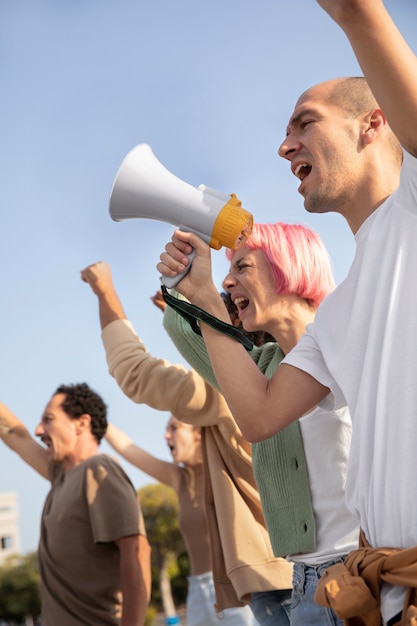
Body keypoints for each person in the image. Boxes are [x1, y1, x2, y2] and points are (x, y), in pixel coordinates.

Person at [156, 2, 417, 624]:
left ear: (373, 122)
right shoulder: (338, 313)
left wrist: (355, 16)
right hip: (381, 592)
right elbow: (260, 414)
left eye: (305, 122)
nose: (284, 146)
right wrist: (203, 296)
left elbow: (360, 13)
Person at [160, 222, 359, 626]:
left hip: (359, 572)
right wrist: (182, 282)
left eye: (243, 267)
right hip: (305, 583)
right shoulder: (264, 369)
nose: (228, 282)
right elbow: (188, 330)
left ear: (289, 266)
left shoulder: (345, 338)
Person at [81, 260, 293, 626]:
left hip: (277, 583)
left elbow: (135, 372)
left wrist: (105, 292)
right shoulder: (286, 374)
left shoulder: (228, 392)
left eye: (203, 331)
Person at [0, 383, 151, 626]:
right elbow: (18, 436)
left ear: (81, 423)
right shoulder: (61, 476)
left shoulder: (99, 470)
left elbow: (136, 551)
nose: (39, 430)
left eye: (48, 420)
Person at [106, 417, 259, 626]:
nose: (165, 435)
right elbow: (128, 450)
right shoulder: (179, 478)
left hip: (234, 588)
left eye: (174, 428)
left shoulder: (224, 467)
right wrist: (96, 419)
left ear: (198, 432)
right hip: (197, 592)